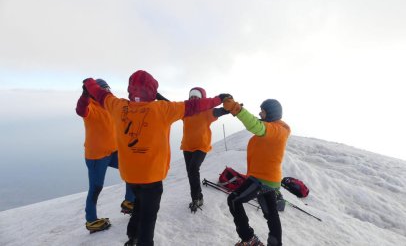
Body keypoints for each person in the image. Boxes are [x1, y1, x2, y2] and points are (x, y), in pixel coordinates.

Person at [82, 70, 230, 246]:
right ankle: (142, 241)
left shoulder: (117, 106)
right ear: (152, 89)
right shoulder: (162, 109)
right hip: (151, 176)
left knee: (139, 203)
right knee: (149, 215)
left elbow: (101, 94)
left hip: (131, 175)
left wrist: (89, 83)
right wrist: (219, 98)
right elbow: (193, 107)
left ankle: (132, 235)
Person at [223, 97, 291, 246]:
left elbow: (256, 125)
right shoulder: (275, 129)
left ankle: (249, 239)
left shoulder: (276, 129)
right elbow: (257, 123)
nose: (260, 113)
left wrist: (237, 109)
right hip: (268, 179)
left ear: (271, 114)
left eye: (263, 111)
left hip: (262, 179)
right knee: (271, 214)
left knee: (234, 200)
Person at [76, 78, 135, 233]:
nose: (106, 92)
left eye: (107, 90)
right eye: (102, 90)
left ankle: (129, 202)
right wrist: (85, 96)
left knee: (131, 170)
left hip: (112, 151)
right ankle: (91, 220)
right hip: (96, 156)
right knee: (96, 188)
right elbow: (80, 110)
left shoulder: (110, 105)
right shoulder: (90, 107)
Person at [180, 87, 230, 213]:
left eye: (196, 97)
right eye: (191, 96)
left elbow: (220, 111)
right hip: (187, 147)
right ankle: (197, 197)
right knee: (191, 173)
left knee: (193, 169)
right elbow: (169, 106)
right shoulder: (185, 111)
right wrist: (157, 95)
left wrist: (232, 108)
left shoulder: (207, 111)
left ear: (201, 98)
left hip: (201, 146)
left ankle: (196, 198)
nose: (193, 99)